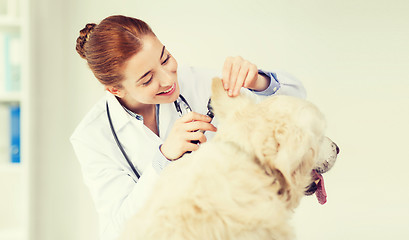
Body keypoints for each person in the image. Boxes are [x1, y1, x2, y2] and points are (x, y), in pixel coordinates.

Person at [70, 15, 306, 240]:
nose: (168, 80)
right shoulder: (93, 136)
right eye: (147, 79)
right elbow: (117, 230)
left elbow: (297, 104)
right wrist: (163, 159)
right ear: (115, 90)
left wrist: (259, 82)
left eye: (165, 58)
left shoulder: (197, 82)